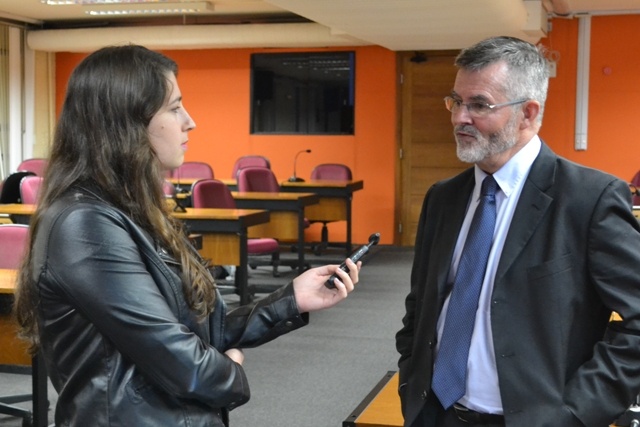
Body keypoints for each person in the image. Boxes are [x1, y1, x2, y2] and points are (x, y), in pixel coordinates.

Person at [13, 44, 360, 427]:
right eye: (174, 107)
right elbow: (182, 362)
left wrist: (290, 300)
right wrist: (231, 374)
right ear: (127, 120)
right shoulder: (85, 225)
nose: (189, 121)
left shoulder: (131, 211)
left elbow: (200, 328)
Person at [395, 36, 640, 427]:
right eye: (456, 101)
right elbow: (421, 305)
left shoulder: (588, 199)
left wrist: (575, 414)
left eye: (479, 105)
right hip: (433, 413)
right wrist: (411, 381)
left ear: (528, 113)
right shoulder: (443, 198)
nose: (460, 117)